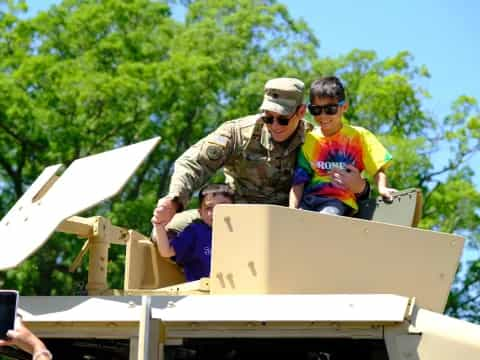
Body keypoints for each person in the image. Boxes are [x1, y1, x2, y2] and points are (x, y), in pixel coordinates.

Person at [152, 77, 371, 234]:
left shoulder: (316, 140)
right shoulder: (238, 133)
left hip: (286, 224)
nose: (274, 125)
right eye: (268, 118)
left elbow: (341, 185)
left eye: (283, 119)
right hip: (234, 217)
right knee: (168, 230)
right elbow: (193, 163)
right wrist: (175, 200)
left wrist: (361, 187)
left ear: (301, 112)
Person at [289, 76, 395, 215]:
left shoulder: (359, 136)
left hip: (337, 200)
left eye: (330, 109)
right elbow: (299, 181)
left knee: (327, 216)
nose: (323, 116)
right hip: (308, 199)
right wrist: (292, 210)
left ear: (344, 107)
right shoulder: (309, 139)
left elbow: (378, 168)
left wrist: (382, 188)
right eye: (316, 110)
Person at [153, 184, 234, 281]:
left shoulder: (240, 231)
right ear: (200, 212)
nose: (215, 212)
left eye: (222, 207)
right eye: (209, 208)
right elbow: (167, 251)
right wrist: (159, 225)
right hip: (202, 292)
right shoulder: (195, 231)